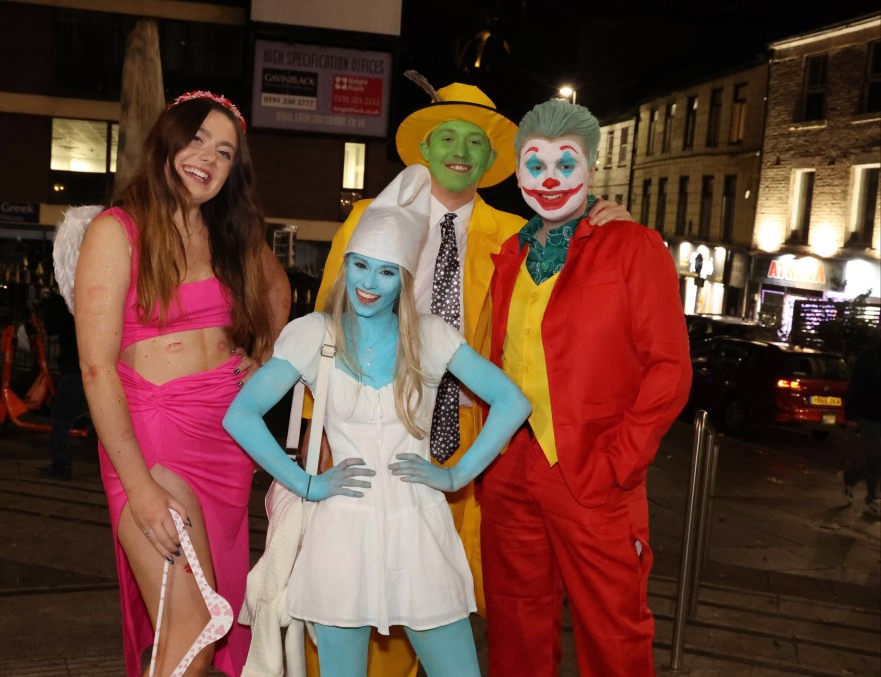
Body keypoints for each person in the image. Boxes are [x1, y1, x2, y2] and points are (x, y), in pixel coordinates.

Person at [309, 78, 629, 675]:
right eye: (447, 137)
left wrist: (608, 222)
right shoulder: (371, 218)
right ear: (425, 150)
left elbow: (575, 287)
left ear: (492, 160)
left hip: (471, 441)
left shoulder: (517, 234)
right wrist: (319, 441)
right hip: (373, 437)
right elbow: (329, 329)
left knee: (446, 596)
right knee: (360, 594)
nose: (461, 151)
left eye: (476, 143)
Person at [223, 163, 530, 677]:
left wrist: (456, 475)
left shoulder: (430, 336)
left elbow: (512, 401)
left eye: (385, 272)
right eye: (360, 267)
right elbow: (242, 415)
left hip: (419, 521)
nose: (369, 284)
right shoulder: (313, 333)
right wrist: (305, 483)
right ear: (345, 267)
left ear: (403, 280)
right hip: (342, 526)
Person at [74, 90, 290, 676]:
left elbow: (277, 293)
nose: (207, 159)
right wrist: (138, 486)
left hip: (224, 444)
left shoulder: (229, 236)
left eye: (224, 152)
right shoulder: (115, 231)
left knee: (203, 622)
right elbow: (95, 368)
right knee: (194, 623)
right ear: (168, 140)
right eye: (197, 139)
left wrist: (263, 354)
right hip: (154, 437)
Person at [481, 98, 692, 676]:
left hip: (593, 475)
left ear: (592, 171)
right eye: (535, 164)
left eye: (566, 164)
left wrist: (617, 462)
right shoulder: (510, 252)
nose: (550, 179)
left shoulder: (632, 246)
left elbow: (669, 370)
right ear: (518, 173)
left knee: (613, 634)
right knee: (515, 627)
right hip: (509, 468)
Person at [36, 288, 86, 481]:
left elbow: (52, 328)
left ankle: (61, 464)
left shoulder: (69, 308)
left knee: (60, 418)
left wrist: (50, 304)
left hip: (75, 370)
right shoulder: (84, 306)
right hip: (85, 369)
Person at [843, 341, 881, 517]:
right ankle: (872, 498)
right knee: (875, 455)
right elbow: (857, 386)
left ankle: (851, 477)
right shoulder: (870, 357)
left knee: (876, 457)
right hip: (870, 416)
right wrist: (851, 416)